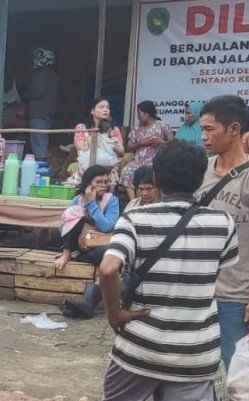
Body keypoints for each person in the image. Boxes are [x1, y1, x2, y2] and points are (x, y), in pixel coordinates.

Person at [80, 140, 238, 401]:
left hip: (140, 345)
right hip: (195, 351)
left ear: (156, 181)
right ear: (201, 179)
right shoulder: (222, 224)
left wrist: (115, 313)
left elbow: (109, 268)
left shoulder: (137, 218)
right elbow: (219, 268)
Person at [198, 95, 249, 368]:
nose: (203, 137)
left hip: (236, 299)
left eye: (210, 129)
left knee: (232, 376)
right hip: (198, 293)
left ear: (234, 129)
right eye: (202, 129)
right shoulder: (201, 170)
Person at [55, 165, 120, 319]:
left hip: (100, 246)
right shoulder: (77, 200)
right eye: (99, 182)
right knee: (77, 217)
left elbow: (107, 226)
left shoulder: (112, 201)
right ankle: (66, 254)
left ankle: (87, 303)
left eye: (106, 182)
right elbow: (64, 227)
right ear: (88, 184)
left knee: (107, 255)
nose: (103, 185)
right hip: (80, 244)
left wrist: (92, 205)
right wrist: (84, 208)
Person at [73, 98, 125, 187]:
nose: (105, 110)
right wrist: (93, 139)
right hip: (87, 168)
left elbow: (121, 152)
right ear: (92, 111)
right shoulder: (82, 127)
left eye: (107, 108)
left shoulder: (114, 130)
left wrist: (110, 142)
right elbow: (81, 147)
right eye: (101, 107)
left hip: (108, 169)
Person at [122, 100, 171, 184]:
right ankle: (133, 197)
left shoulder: (162, 125)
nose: (138, 117)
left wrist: (161, 142)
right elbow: (128, 147)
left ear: (147, 114)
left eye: (139, 114)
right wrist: (140, 143)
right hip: (139, 162)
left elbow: (172, 143)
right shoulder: (136, 129)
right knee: (126, 170)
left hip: (157, 161)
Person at [24, 48, 59, 159]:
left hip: (40, 113)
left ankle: (41, 163)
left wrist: (25, 94)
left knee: (39, 140)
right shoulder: (52, 76)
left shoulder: (43, 76)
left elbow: (36, 93)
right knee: (41, 138)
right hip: (47, 113)